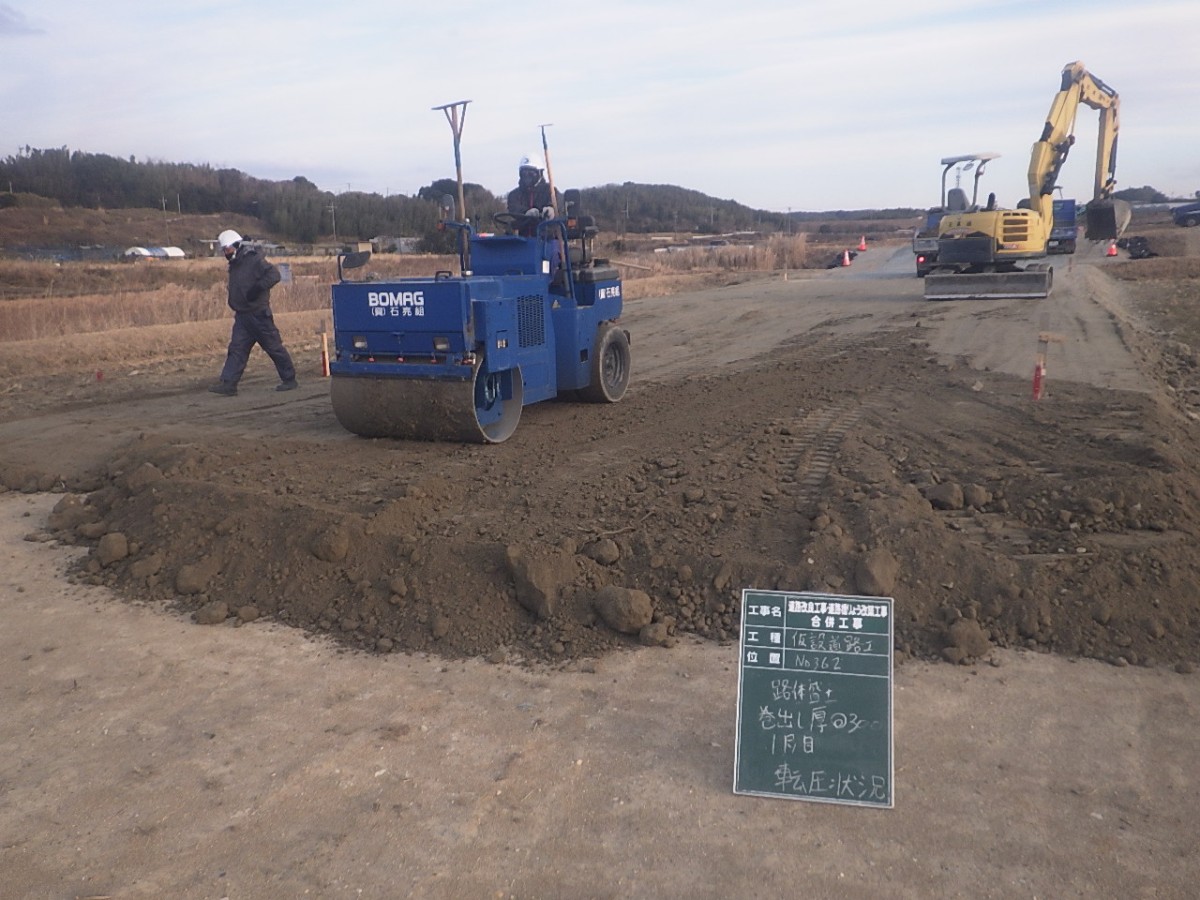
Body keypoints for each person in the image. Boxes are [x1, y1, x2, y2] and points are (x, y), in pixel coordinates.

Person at [207, 229, 298, 396]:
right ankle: (229, 384)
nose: (226, 253)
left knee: (273, 347)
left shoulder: (254, 260)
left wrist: (257, 289)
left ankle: (289, 379)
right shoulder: (235, 263)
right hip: (242, 316)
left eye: (227, 250)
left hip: (259, 314)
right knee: (236, 349)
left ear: (236, 246)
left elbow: (274, 275)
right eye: (224, 250)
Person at [506, 154, 561, 235]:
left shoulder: (551, 191)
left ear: (540, 173)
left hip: (546, 240)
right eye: (523, 173)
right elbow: (514, 209)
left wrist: (551, 210)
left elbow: (558, 205)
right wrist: (526, 213)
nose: (527, 176)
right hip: (522, 241)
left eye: (531, 173)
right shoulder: (514, 195)